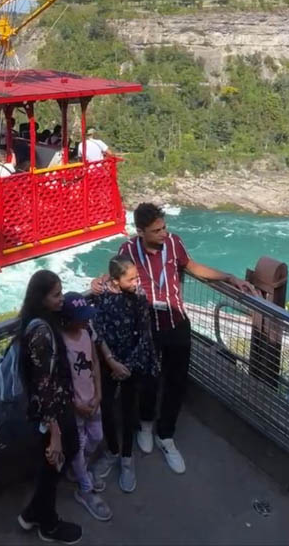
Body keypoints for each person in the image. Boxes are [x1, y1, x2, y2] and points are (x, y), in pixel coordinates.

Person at [91, 203, 255, 474]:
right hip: (147, 326)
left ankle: (165, 435)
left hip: (177, 322)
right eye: (157, 230)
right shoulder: (128, 251)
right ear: (141, 231)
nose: (164, 233)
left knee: (177, 381)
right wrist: (98, 282)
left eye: (164, 227)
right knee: (149, 379)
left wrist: (229, 276)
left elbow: (192, 266)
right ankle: (145, 424)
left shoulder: (174, 243)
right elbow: (115, 275)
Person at [17, 271, 82, 545]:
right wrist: (54, 432)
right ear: (42, 299)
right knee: (54, 461)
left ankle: (33, 513)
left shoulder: (37, 321)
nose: (61, 299)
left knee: (54, 462)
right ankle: (48, 523)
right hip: (51, 412)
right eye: (56, 295)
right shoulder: (42, 333)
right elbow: (44, 384)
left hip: (52, 408)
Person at [91, 257, 160, 493]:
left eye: (137, 277)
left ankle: (127, 458)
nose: (136, 282)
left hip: (132, 362)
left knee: (130, 409)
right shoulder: (103, 297)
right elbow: (97, 330)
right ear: (116, 281)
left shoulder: (139, 297)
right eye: (131, 279)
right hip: (110, 362)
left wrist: (126, 366)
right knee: (108, 408)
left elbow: (144, 334)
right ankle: (112, 451)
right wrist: (111, 362)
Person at [60, 293, 112, 523]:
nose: (85, 321)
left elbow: (95, 363)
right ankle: (84, 488)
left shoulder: (86, 333)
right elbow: (60, 380)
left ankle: (79, 470)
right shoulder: (61, 342)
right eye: (81, 318)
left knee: (97, 437)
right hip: (76, 406)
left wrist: (99, 393)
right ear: (68, 319)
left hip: (92, 399)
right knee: (78, 446)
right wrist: (75, 404)